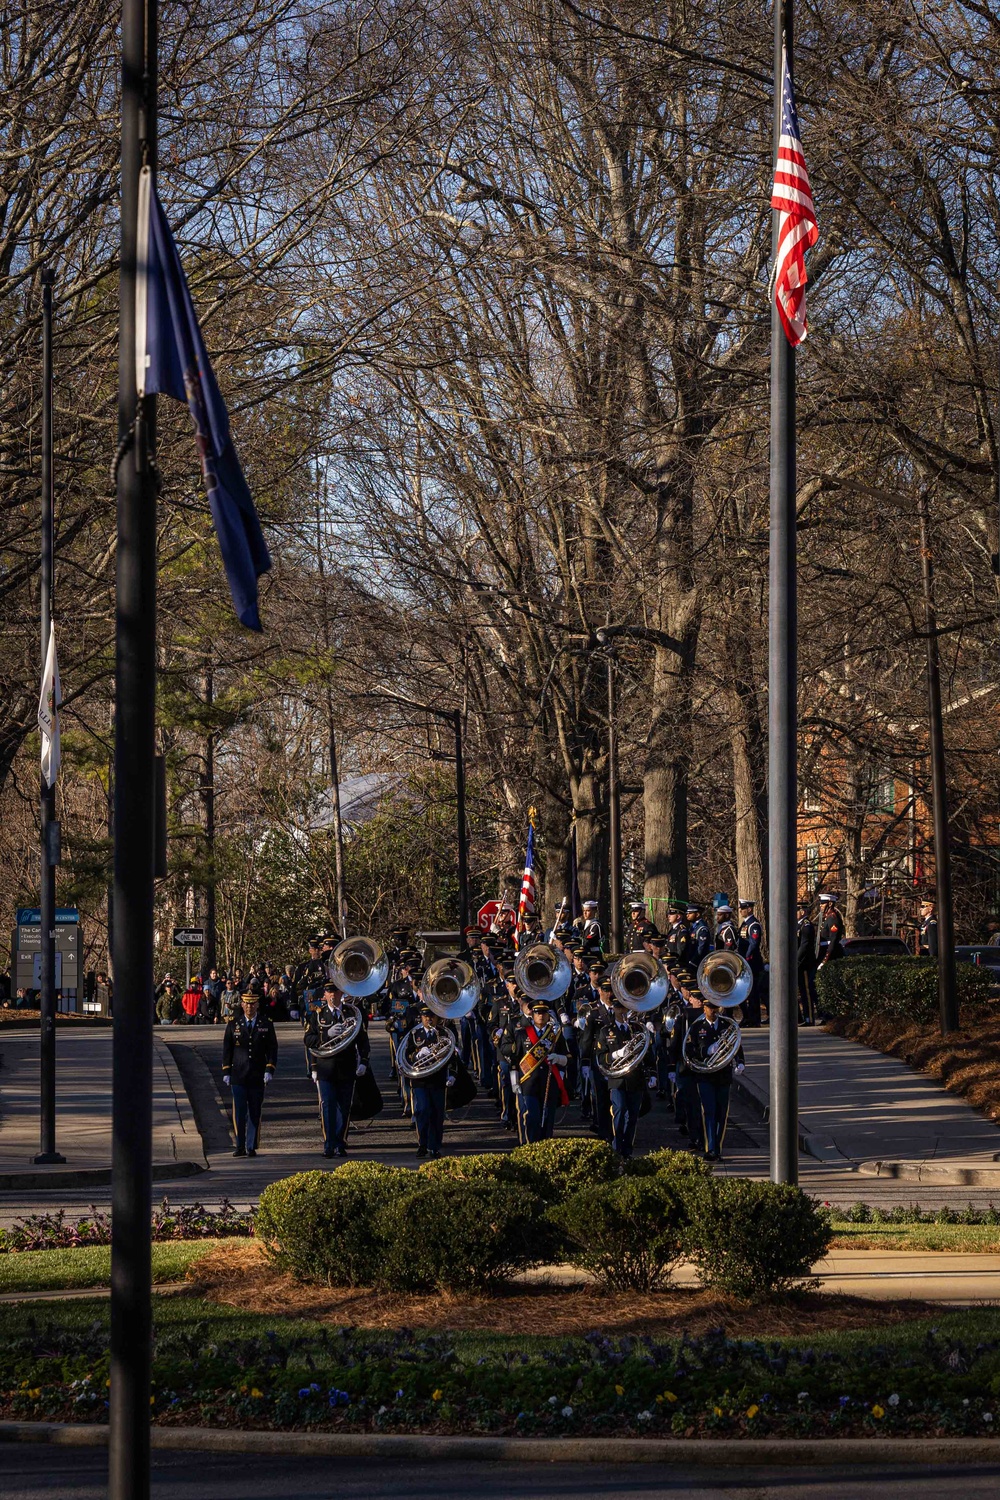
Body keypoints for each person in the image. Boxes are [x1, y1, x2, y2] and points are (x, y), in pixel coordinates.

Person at [305, 981, 370, 1158]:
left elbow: (363, 1041)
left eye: (336, 992)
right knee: (327, 1106)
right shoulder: (317, 1016)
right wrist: (327, 1035)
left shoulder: (352, 1013)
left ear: (342, 993)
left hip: (346, 1066)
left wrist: (363, 1061)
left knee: (344, 1107)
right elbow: (308, 1040)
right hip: (326, 1067)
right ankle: (329, 1144)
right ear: (325, 995)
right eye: (329, 992)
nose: (333, 995)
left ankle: (340, 1142)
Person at [682, 995, 745, 1162]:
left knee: (722, 1113)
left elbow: (736, 1045)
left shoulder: (727, 1025)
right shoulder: (697, 1027)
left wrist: (740, 1062)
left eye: (716, 1008)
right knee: (709, 1111)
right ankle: (711, 1148)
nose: (713, 1011)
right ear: (704, 1008)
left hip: (723, 1075)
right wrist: (706, 1051)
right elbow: (689, 1051)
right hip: (705, 1076)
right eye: (710, 1008)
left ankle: (717, 1147)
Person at [504, 998, 568, 1143]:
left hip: (548, 1083)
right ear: (532, 1014)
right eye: (538, 1012)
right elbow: (515, 1059)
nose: (541, 1015)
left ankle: (545, 1153)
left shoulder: (555, 1035)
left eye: (544, 1012)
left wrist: (558, 1058)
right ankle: (530, 1149)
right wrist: (514, 1081)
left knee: (547, 1120)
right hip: (528, 1083)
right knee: (532, 1118)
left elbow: (567, 1057)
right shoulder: (522, 1034)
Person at [222, 991, 277, 1157]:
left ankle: (251, 1145)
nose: (249, 1007)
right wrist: (226, 1071)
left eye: (252, 1003)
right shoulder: (233, 1024)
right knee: (239, 1112)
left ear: (257, 1005)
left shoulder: (266, 1024)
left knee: (254, 1111)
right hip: (238, 1075)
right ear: (242, 1004)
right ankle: (239, 1145)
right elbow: (227, 1049)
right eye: (246, 1003)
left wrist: (269, 1069)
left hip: (257, 1075)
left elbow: (272, 1049)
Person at [595, 996, 651, 1159]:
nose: (622, 1012)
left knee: (632, 1115)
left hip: (635, 1079)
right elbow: (600, 1057)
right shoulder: (606, 1031)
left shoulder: (637, 1030)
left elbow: (647, 1052)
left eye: (625, 1009)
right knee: (619, 1111)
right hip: (617, 1079)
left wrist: (652, 1073)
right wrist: (617, 1054)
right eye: (619, 1009)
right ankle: (616, 1147)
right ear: (614, 1010)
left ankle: (627, 1149)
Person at [401, 1002, 454, 1158]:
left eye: (431, 1016)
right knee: (422, 1110)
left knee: (437, 1113)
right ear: (421, 1017)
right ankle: (422, 1144)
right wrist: (417, 1054)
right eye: (425, 1017)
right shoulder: (413, 1034)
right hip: (420, 1080)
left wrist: (453, 1075)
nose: (429, 1020)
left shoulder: (444, 1034)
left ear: (437, 1017)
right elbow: (406, 1055)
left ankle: (435, 1146)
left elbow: (453, 1056)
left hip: (438, 1079)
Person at [666, 969, 704, 1151]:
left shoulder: (706, 1017)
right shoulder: (683, 1016)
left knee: (701, 1105)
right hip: (686, 1067)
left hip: (703, 1067)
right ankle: (693, 1135)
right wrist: (672, 1067)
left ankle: (701, 1136)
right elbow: (674, 1043)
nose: (700, 1002)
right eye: (697, 999)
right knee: (691, 1104)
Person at [737, 899, 764, 1027]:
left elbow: (753, 944)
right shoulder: (745, 924)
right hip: (744, 962)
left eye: (743, 908)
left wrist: (746, 958)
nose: (740, 910)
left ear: (749, 909)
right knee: (747, 992)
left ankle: (755, 1020)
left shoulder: (754, 925)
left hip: (751, 962)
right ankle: (748, 1017)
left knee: (753, 993)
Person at [797, 901, 818, 1025]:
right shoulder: (798, 925)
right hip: (800, 964)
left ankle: (809, 1017)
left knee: (806, 991)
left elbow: (804, 946)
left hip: (805, 964)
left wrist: (796, 960)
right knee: (801, 992)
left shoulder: (806, 926)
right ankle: (802, 1017)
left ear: (802, 911)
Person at [817, 894, 845, 967]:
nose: (821, 905)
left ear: (830, 904)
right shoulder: (828, 918)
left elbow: (833, 940)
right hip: (823, 951)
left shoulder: (833, 918)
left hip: (831, 955)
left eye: (823, 903)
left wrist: (825, 960)